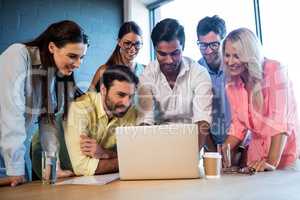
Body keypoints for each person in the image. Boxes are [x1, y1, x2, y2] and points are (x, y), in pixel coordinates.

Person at [0, 20, 88, 186]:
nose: (77, 64)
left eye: (81, 57)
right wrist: (16, 169)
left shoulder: (52, 74)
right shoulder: (17, 55)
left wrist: (52, 166)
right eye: (72, 56)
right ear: (52, 47)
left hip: (12, 157)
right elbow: (11, 115)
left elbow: (47, 120)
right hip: (10, 156)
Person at [223, 28, 300, 172]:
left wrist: (271, 163)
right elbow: (238, 126)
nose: (230, 61)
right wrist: (222, 151)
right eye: (227, 55)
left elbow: (280, 123)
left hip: (284, 157)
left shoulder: (275, 70)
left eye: (237, 56)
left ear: (250, 55)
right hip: (256, 158)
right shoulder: (231, 84)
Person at [137, 18, 213, 151]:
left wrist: (191, 157)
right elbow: (145, 119)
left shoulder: (199, 73)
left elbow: (202, 121)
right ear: (155, 49)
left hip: (192, 141)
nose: (169, 60)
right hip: (158, 144)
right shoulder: (147, 75)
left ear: (182, 47)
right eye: (162, 54)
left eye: (175, 53)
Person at [65, 65, 139, 176]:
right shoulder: (80, 107)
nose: (126, 103)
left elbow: (136, 154)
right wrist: (126, 161)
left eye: (131, 96)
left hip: (90, 177)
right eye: (121, 95)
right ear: (103, 90)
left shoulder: (131, 112)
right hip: (57, 165)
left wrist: (106, 154)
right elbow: (82, 167)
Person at [196, 15, 231, 147]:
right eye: (203, 45)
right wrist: (213, 152)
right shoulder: (196, 72)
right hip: (212, 143)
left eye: (214, 45)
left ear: (224, 42)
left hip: (242, 143)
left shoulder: (235, 66)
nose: (208, 51)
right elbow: (199, 119)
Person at [89, 21, 144, 92]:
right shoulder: (104, 70)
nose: (133, 48)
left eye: (137, 44)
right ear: (119, 42)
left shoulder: (146, 71)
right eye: (127, 43)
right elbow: (88, 100)